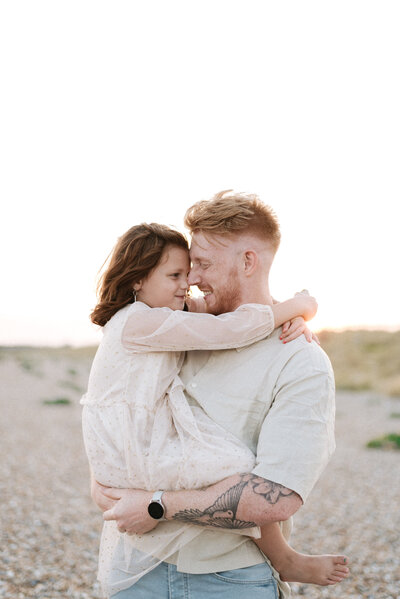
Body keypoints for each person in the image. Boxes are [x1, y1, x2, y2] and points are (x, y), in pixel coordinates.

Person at [91, 192, 349, 598]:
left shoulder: (300, 362)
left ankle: (285, 559)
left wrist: (155, 505)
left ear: (248, 262)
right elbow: (120, 398)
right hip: (135, 568)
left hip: (226, 581)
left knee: (237, 464)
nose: (191, 279)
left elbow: (274, 500)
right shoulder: (178, 324)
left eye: (202, 265)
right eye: (185, 270)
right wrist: (104, 472)